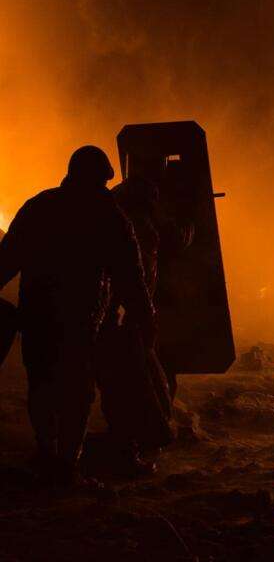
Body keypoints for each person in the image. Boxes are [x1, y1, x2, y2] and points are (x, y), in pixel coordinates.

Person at [0, 146, 154, 484]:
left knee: (41, 382)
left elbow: (7, 258)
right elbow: (130, 275)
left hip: (38, 316)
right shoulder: (109, 216)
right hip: (81, 321)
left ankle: (47, 451)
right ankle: (66, 461)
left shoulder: (40, 206)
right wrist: (145, 317)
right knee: (76, 389)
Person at [96, 175, 174, 475]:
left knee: (127, 384)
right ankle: (125, 451)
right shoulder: (125, 225)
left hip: (113, 316)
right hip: (118, 318)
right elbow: (131, 276)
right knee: (127, 385)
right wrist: (143, 315)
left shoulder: (119, 219)